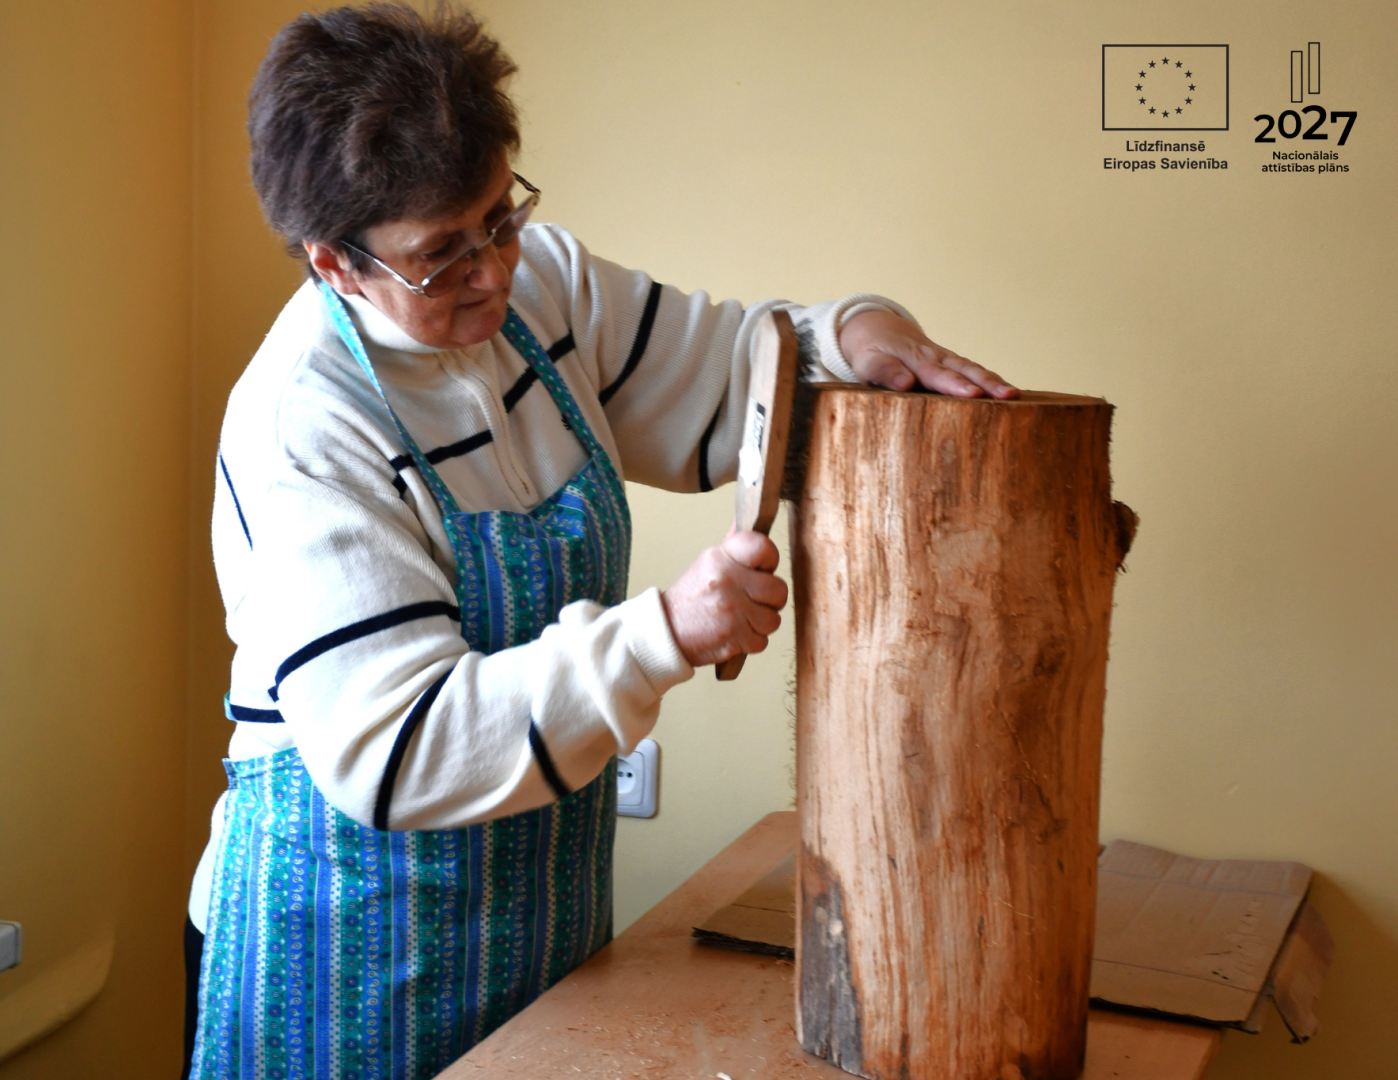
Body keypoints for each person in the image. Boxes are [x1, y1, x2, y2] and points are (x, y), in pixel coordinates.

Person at [183, 4, 1018, 1078]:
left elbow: (731, 377)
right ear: (335, 264)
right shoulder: (305, 426)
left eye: (499, 216)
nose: (491, 268)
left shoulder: (542, 288)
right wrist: (663, 634)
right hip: (342, 943)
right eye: (442, 256)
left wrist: (844, 330)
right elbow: (401, 750)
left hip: (536, 921)